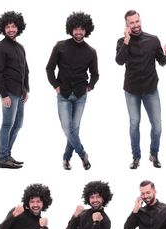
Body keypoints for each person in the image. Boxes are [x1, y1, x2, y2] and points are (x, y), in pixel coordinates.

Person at [116, 10, 166, 169]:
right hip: (131, 90)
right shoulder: (122, 41)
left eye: (137, 21)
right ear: (126, 25)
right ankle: (136, 157)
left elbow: (161, 61)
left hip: (150, 89)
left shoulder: (153, 39)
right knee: (134, 123)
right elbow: (119, 61)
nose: (135, 25)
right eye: (131, 23)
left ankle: (154, 154)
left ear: (140, 20)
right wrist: (127, 41)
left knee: (157, 126)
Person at [46, 12, 99, 171]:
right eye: (76, 29)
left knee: (74, 129)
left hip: (81, 95)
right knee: (67, 128)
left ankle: (66, 159)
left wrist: (89, 86)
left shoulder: (91, 51)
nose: (78, 32)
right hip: (63, 95)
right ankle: (83, 154)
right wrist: (55, 85)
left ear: (86, 30)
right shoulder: (60, 46)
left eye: (82, 29)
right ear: (70, 29)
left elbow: (95, 74)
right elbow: (49, 68)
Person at [0, 11, 29, 169]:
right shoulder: (0, 48)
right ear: (3, 28)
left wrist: (26, 89)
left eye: (13, 26)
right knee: (7, 124)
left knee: (18, 124)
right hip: (9, 93)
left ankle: (7, 155)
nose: (11, 29)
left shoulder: (20, 47)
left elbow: (25, 70)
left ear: (18, 27)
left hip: (20, 92)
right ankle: (3, 158)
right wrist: (4, 94)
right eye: (7, 27)